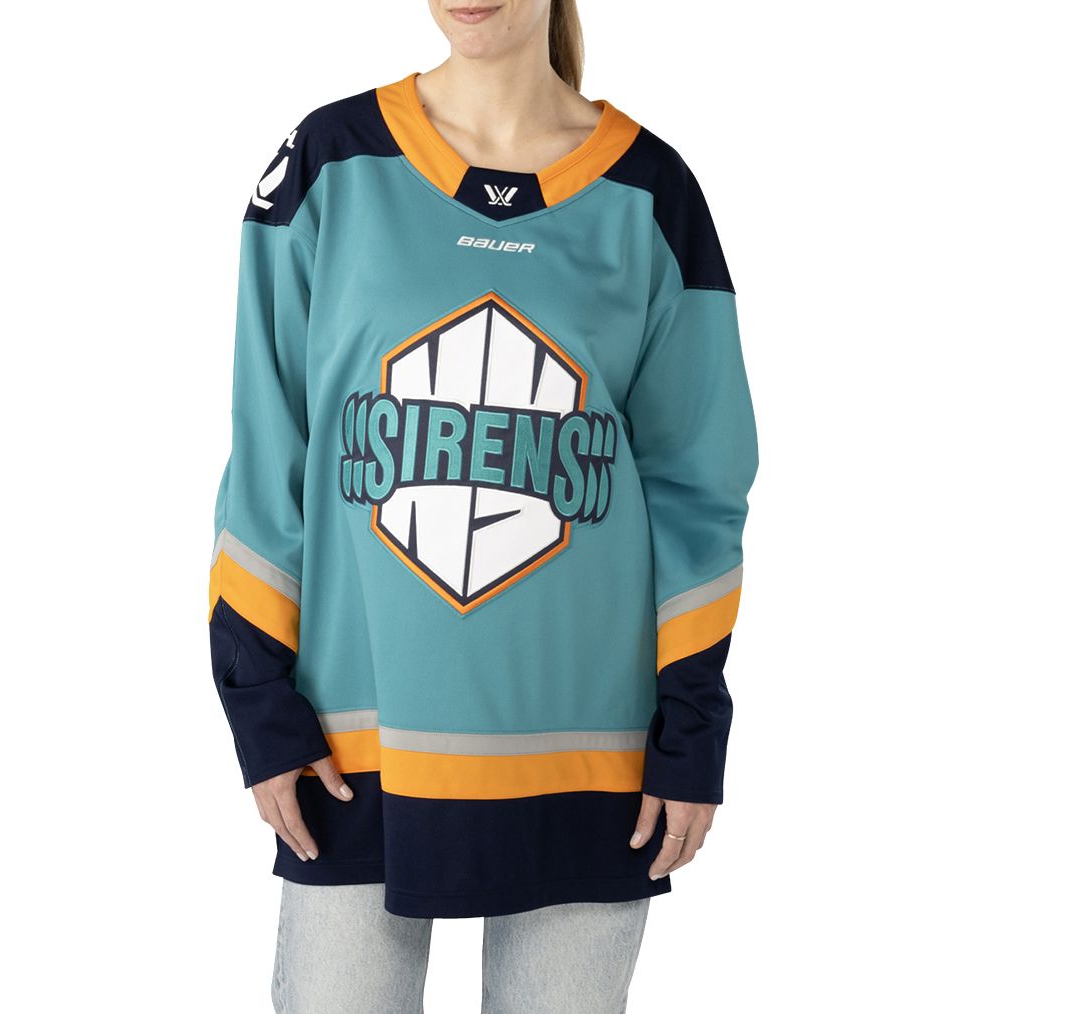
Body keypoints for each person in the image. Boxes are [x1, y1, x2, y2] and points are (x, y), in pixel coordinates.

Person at [206, 1, 758, 1010]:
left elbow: (698, 487)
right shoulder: (330, 161)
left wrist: (691, 727)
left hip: (590, 756)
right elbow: (267, 443)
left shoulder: (651, 192)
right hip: (353, 747)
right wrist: (261, 706)